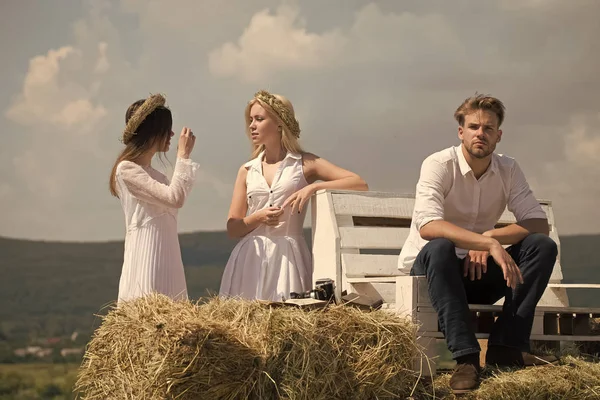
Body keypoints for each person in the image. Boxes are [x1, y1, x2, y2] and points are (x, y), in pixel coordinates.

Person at [398, 94, 558, 394]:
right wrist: (487, 245)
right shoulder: (438, 164)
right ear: (461, 132)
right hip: (433, 274)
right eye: (473, 127)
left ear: (498, 135)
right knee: (441, 246)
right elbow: (429, 226)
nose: (479, 133)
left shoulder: (508, 169)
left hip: (478, 271)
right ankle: (467, 358)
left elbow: (538, 224)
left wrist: (489, 239)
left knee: (541, 246)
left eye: (487, 128)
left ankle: (507, 346)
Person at [219, 90, 368, 301]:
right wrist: (258, 217)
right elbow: (233, 228)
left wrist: (312, 188)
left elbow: (358, 183)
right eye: (250, 120)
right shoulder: (247, 169)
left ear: (279, 122)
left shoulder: (304, 163)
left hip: (288, 257)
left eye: (259, 119)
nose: (252, 125)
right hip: (250, 258)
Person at [109, 94, 199, 303]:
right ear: (153, 132)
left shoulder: (158, 176)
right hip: (146, 257)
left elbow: (176, 196)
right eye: (167, 130)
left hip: (167, 256)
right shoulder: (127, 169)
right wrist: (183, 157)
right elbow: (175, 198)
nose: (172, 134)